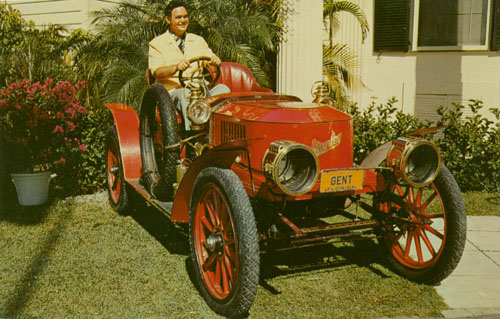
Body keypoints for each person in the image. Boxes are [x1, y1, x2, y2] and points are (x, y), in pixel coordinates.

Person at [148, 1, 230, 131]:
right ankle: (192, 137)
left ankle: (220, 133)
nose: (183, 20)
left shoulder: (197, 40)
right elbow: (157, 72)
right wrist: (176, 67)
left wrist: (214, 61)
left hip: (200, 90)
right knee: (187, 94)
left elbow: (209, 60)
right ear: (168, 19)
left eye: (185, 17)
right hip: (174, 92)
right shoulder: (157, 44)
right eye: (178, 17)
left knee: (223, 90)